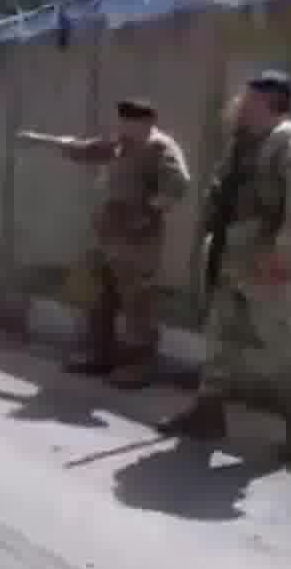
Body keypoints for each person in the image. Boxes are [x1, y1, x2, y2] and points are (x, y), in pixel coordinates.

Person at [158, 70, 291, 466]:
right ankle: (208, 412)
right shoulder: (242, 144)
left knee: (282, 342)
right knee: (220, 336)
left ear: (269, 102)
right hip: (230, 256)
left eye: (248, 100)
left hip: (267, 259)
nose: (238, 105)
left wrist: (286, 251)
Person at [16, 98, 192, 387]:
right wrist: (39, 140)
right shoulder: (121, 144)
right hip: (109, 237)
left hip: (137, 243)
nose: (122, 128)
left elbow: (179, 184)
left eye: (128, 123)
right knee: (99, 297)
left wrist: (147, 214)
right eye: (121, 122)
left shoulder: (159, 147)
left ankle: (140, 368)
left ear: (146, 123)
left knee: (138, 304)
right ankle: (100, 356)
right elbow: (83, 148)